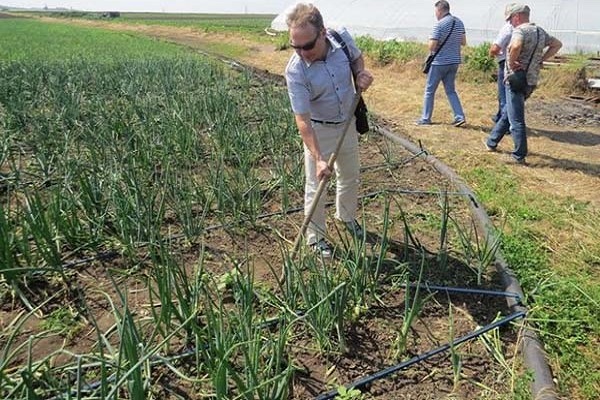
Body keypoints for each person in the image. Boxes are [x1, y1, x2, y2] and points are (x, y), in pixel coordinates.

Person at [284, 3, 374, 257]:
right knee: (317, 185)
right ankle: (315, 238)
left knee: (350, 174)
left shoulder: (341, 36)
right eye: (295, 46)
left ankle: (346, 218)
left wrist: (360, 74)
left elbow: (357, 59)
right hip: (319, 131)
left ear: (322, 33)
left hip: (347, 122)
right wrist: (319, 158)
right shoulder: (295, 70)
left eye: (307, 46)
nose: (302, 52)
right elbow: (302, 120)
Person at [484, 4, 562, 164]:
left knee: (516, 120)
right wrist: (541, 59)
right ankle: (491, 142)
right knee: (509, 113)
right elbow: (557, 44)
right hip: (531, 80)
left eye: (510, 19)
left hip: (516, 80)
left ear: (517, 16)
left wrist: (512, 64)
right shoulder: (540, 32)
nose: (510, 23)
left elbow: (516, 46)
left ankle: (519, 155)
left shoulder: (520, 30)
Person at [416, 0, 466, 127]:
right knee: (450, 90)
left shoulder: (439, 25)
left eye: (436, 12)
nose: (435, 14)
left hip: (439, 62)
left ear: (439, 10)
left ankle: (426, 118)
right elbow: (463, 42)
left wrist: (435, 42)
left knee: (429, 90)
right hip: (454, 61)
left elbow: (432, 47)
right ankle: (459, 116)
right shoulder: (459, 22)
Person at [489, 4, 514, 123]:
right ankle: (500, 116)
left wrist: (493, 53)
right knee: (510, 94)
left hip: (505, 62)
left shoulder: (507, 28)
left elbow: (495, 48)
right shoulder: (522, 29)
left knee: (503, 94)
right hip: (517, 64)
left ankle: (504, 123)